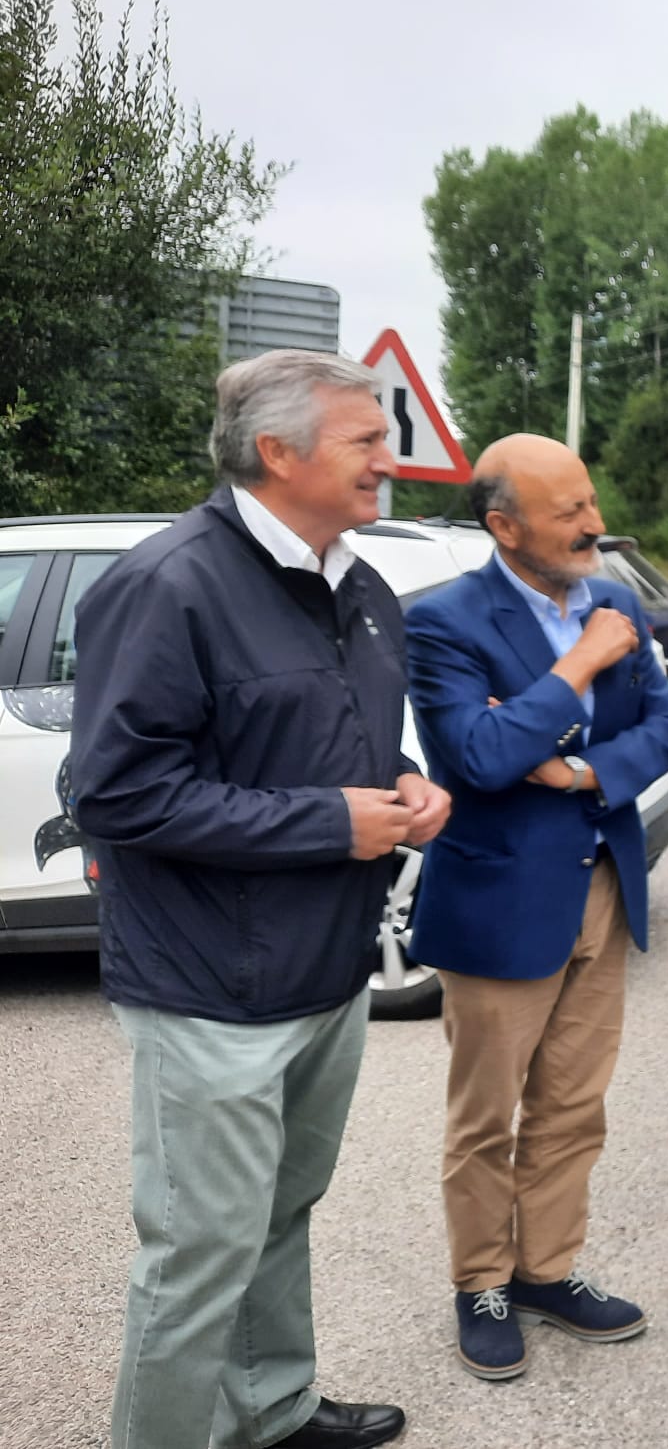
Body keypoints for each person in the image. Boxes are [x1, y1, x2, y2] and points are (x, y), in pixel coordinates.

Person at [70, 349, 450, 1449]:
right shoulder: (169, 583)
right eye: (365, 441)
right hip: (209, 991)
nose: (390, 458)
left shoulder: (361, 583)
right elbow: (121, 795)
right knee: (201, 1254)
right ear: (278, 453)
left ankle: (273, 1410)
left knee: (279, 1217)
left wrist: (405, 786)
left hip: (324, 975)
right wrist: (333, 823)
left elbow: (336, 742)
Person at [403, 434, 668, 1382]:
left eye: (591, 501)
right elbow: (479, 758)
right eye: (570, 511)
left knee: (573, 1104)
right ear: (504, 525)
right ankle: (480, 1283)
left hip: (602, 883)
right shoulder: (443, 622)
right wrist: (578, 670)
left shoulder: (611, 596)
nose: (595, 525)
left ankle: (546, 1271)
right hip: (496, 903)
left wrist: (575, 769)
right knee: (486, 1116)